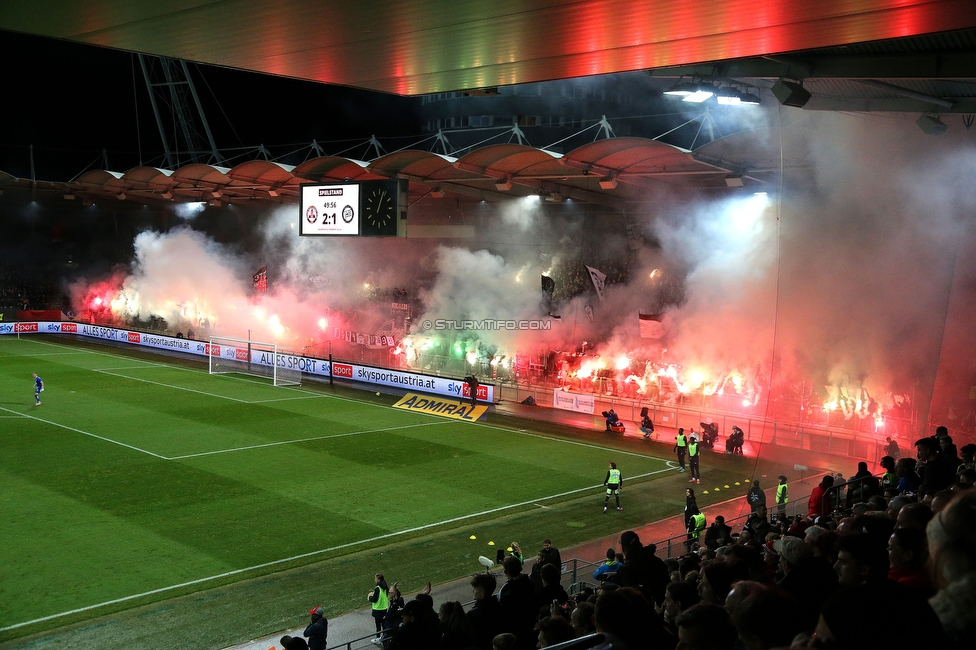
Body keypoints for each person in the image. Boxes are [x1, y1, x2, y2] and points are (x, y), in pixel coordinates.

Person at [367, 574, 389, 642]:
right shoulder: (385, 587)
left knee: (378, 625)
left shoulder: (377, 588)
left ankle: (378, 638)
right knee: (384, 624)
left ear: (378, 579)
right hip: (384, 608)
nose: (374, 579)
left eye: (375, 578)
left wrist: (369, 596)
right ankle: (385, 636)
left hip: (378, 609)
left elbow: (374, 599)